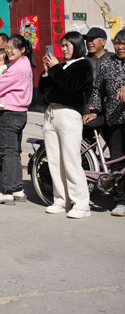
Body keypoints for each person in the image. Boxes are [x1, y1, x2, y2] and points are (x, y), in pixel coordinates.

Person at [39, 32, 93, 219]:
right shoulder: (60, 66)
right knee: (54, 161)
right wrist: (46, 73)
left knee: (71, 161)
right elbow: (45, 92)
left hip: (69, 114)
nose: (64, 49)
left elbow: (71, 86)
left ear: (77, 46)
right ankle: (61, 200)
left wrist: (55, 69)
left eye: (68, 45)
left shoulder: (83, 65)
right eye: (62, 45)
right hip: (52, 114)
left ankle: (82, 204)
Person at [0, 35, 34, 205]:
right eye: (8, 48)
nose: (9, 51)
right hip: (20, 113)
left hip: (9, 113)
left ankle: (7, 191)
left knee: (7, 152)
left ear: (23, 50)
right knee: (14, 152)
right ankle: (17, 189)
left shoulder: (16, 68)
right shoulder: (25, 63)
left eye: (13, 48)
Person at [85, 28, 125, 216]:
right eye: (117, 43)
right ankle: (120, 200)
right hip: (114, 119)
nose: (120, 47)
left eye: (123, 44)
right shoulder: (108, 63)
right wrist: (94, 111)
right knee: (117, 161)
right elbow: (98, 90)